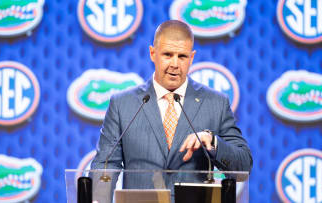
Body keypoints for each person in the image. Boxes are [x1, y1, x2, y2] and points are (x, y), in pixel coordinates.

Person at [91, 20, 253, 189]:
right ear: (153, 53)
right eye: (167, 55)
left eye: (182, 56)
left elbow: (243, 167)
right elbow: (105, 167)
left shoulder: (215, 104)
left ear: (191, 58)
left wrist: (213, 141)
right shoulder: (123, 105)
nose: (175, 64)